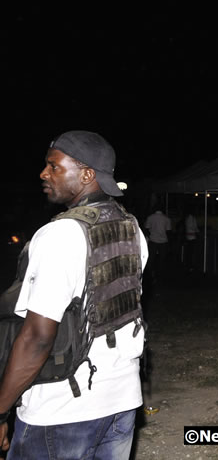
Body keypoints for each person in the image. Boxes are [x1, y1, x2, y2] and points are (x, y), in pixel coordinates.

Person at [0, 130, 148, 458]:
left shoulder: (58, 236)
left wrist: (1, 409)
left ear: (86, 174)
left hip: (62, 411)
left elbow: (38, 337)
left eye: (54, 167)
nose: (44, 173)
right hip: (122, 401)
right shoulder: (132, 227)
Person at [144, 205, 172, 284]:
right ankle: (159, 276)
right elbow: (168, 231)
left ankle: (149, 275)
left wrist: (150, 236)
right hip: (163, 241)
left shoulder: (150, 217)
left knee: (151, 259)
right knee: (162, 259)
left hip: (153, 241)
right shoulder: (167, 219)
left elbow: (146, 229)